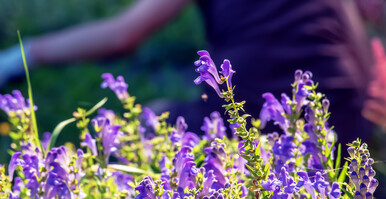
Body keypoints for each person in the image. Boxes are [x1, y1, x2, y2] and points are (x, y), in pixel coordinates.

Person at [0, 0, 384, 146]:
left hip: (252, 111)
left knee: (137, 127)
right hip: (344, 117)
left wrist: (21, 56)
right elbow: (367, 23)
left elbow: (123, 35)